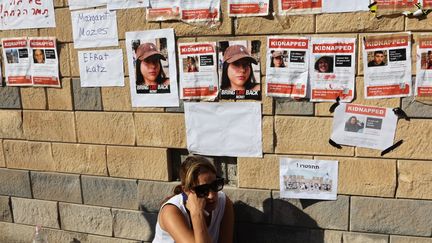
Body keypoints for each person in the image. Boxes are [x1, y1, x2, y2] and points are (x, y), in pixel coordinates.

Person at [153, 155, 234, 243]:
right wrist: (197, 213)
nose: (211, 195)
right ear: (186, 191)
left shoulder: (223, 202)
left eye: (215, 185)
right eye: (203, 190)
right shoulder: (171, 211)